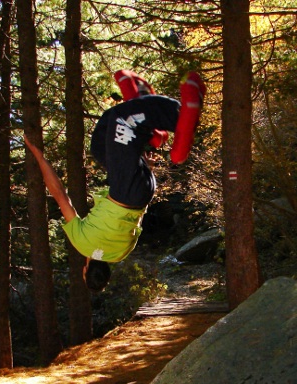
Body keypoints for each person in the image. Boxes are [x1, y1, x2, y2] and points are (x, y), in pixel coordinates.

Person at [25, 71, 206, 291]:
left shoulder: (121, 254)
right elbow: (60, 195)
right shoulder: (82, 245)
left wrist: (144, 170)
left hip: (142, 192)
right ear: (85, 269)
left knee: (100, 146)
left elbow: (137, 219)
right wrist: (38, 156)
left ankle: (150, 132)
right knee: (121, 119)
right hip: (123, 189)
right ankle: (180, 115)